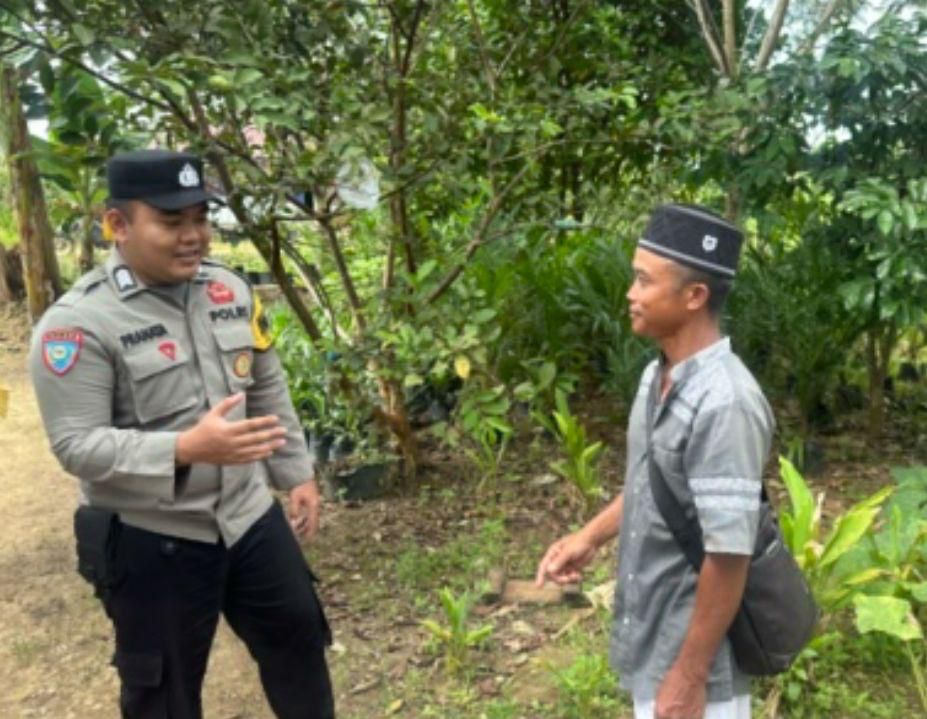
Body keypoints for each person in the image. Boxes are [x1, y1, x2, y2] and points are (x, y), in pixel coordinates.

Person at [29, 149, 335, 719]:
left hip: (248, 517)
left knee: (300, 646)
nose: (194, 236)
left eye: (200, 219)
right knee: (162, 695)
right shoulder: (78, 325)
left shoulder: (229, 292)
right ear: (117, 225)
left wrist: (296, 473)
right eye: (172, 223)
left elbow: (266, 389)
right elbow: (76, 445)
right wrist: (184, 449)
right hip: (153, 536)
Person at [536, 204, 774, 719]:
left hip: (697, 667)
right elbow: (652, 482)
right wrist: (588, 537)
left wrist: (689, 679)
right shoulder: (658, 377)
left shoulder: (726, 403)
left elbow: (729, 555)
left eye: (644, 281)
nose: (630, 294)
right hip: (654, 638)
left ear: (694, 296)